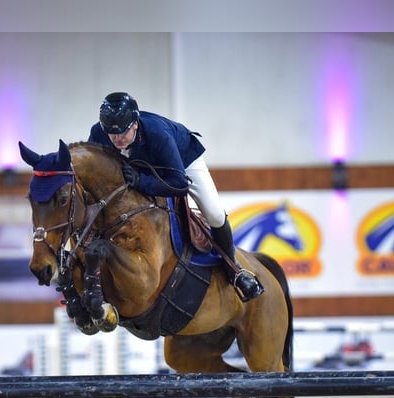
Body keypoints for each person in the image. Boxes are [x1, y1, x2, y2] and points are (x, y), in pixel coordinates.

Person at [87, 92, 264, 302]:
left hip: (182, 164)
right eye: (111, 134)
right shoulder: (98, 133)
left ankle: (234, 268)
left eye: (122, 133)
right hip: (140, 166)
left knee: (215, 214)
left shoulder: (157, 134)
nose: (116, 139)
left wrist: (142, 182)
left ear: (135, 124)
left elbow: (179, 185)